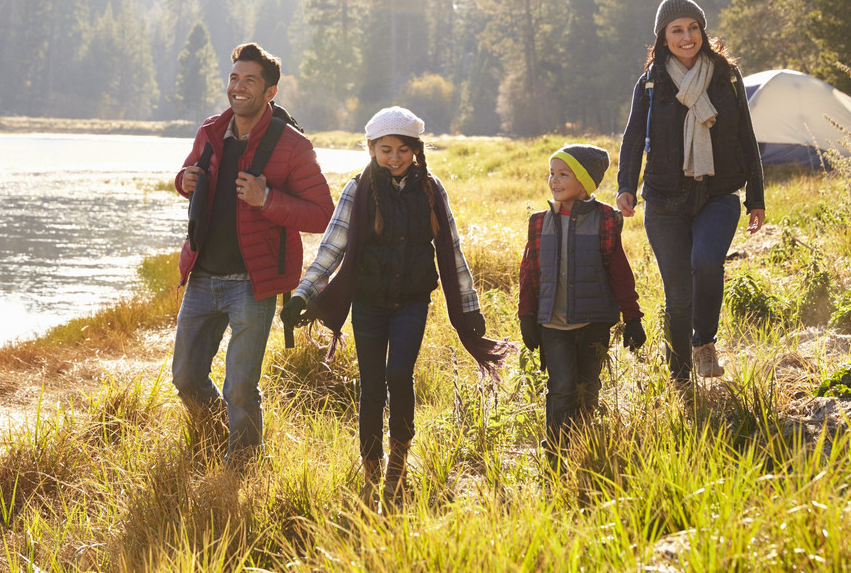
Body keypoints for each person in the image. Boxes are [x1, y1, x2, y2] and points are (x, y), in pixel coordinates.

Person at [281, 106, 510, 497]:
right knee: (371, 386)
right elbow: (332, 247)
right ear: (371, 148)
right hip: (368, 302)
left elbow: (452, 251)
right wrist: (304, 293)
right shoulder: (359, 188)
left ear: (416, 149)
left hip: (411, 302)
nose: (395, 157)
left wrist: (470, 308)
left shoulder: (432, 189)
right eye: (386, 149)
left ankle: (398, 464)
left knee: (399, 376)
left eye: (404, 149)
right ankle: (372, 468)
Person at [173, 42, 334, 465]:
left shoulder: (294, 147)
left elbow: (323, 215)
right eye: (234, 78)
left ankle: (242, 467)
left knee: (240, 387)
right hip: (203, 276)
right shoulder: (210, 131)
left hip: (253, 284)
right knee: (186, 377)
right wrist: (183, 181)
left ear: (270, 92)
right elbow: (188, 174)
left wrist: (267, 200)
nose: (238, 87)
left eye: (250, 81)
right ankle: (211, 440)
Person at [617, 0, 765, 383]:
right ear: (663, 37)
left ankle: (704, 345)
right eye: (677, 30)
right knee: (678, 292)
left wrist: (757, 198)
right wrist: (626, 186)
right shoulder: (652, 82)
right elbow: (633, 138)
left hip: (717, 195)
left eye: (693, 28)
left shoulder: (726, 76)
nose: (687, 37)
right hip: (664, 200)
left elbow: (747, 138)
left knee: (706, 261)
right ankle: (680, 375)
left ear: (703, 31)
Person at [518, 144, 645, 461]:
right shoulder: (538, 222)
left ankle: (585, 446)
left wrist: (632, 318)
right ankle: (556, 454)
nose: (554, 180)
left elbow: (619, 272)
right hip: (552, 324)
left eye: (564, 174)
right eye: (552, 173)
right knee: (561, 388)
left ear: (586, 182)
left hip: (594, 324)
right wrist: (526, 317)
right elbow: (529, 272)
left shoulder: (605, 220)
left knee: (588, 387)